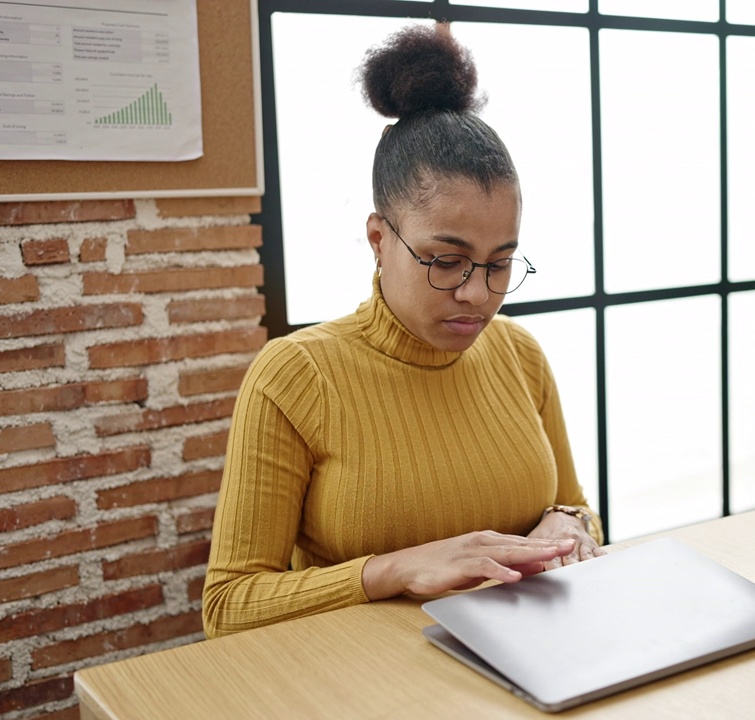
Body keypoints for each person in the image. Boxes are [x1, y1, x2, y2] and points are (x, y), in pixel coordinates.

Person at [202, 23, 603, 639]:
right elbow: (228, 606)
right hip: (367, 684)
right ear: (379, 239)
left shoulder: (517, 353)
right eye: (445, 262)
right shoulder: (295, 376)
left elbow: (577, 508)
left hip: (525, 660)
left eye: (500, 264)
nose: (478, 294)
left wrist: (567, 524)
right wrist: (395, 570)